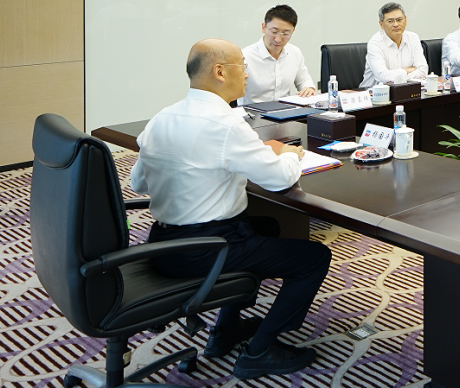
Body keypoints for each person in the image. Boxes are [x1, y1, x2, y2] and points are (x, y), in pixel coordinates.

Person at [130, 39, 330, 379]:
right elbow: (279, 179)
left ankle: (225, 330)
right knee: (314, 258)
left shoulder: (162, 117)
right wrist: (288, 155)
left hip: (163, 245)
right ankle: (260, 350)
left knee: (266, 227)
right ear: (220, 72)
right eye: (243, 67)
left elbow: (139, 184)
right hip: (208, 249)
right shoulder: (226, 124)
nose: (247, 74)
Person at [241, 5, 316, 104]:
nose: (278, 39)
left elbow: (304, 80)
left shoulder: (294, 52)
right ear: (263, 27)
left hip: (286, 109)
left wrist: (309, 88)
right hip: (253, 111)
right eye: (274, 32)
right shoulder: (245, 57)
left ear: (293, 31)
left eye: (285, 34)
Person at [360, 2, 428, 88]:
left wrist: (397, 77)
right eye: (390, 21)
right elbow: (383, 77)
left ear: (405, 20)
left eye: (399, 20)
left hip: (405, 90)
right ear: (381, 24)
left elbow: (423, 71)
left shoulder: (413, 38)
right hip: (373, 93)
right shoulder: (375, 43)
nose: (396, 24)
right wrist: (406, 71)